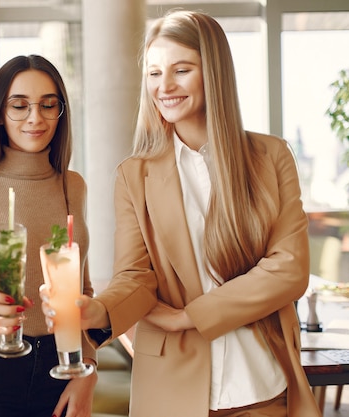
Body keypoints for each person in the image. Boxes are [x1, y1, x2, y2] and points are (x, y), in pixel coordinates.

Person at [42, 10, 321, 417]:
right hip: (171, 387)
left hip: (261, 382)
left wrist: (191, 316)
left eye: (181, 70)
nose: (164, 86)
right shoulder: (133, 176)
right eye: (154, 73)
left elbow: (290, 269)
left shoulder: (271, 157)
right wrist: (98, 310)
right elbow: (136, 277)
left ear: (214, 73)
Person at [0, 55, 97, 417]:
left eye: (48, 105)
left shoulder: (72, 186)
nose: (35, 118)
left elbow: (82, 291)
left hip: (62, 366)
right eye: (20, 106)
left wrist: (87, 370)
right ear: (0, 113)